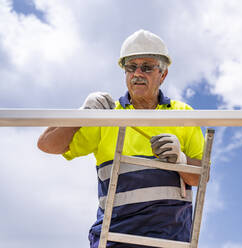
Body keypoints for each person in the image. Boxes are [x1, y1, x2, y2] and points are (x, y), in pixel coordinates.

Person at [37, 29, 204, 248]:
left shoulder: (182, 114)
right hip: (114, 239)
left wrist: (181, 161)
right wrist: (82, 114)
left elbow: (200, 178)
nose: (137, 73)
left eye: (146, 67)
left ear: (162, 75)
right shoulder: (107, 115)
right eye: (131, 67)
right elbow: (48, 145)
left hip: (169, 240)